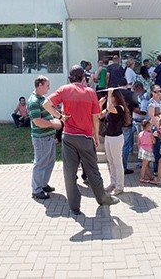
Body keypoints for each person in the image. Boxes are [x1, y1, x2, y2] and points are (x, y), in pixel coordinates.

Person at [43, 65, 119, 216]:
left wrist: (59, 116)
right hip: (85, 137)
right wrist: (96, 136)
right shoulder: (90, 92)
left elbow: (46, 104)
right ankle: (102, 198)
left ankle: (74, 207)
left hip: (68, 136)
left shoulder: (64, 89)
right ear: (83, 77)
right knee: (92, 170)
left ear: (70, 77)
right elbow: (96, 118)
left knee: (69, 172)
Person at [28, 76, 63, 200]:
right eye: (47, 85)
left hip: (49, 137)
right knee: (40, 164)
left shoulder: (42, 99)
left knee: (49, 162)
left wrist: (60, 117)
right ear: (40, 85)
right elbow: (37, 121)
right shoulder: (33, 101)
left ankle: (43, 185)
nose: (49, 87)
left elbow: (51, 112)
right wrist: (54, 124)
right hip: (41, 139)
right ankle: (36, 190)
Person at [99, 88, 129, 196]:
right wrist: (99, 104)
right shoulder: (109, 108)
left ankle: (120, 186)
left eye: (111, 96)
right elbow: (99, 115)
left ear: (116, 97)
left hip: (116, 138)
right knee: (110, 161)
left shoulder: (119, 108)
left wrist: (109, 93)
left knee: (117, 162)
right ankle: (113, 183)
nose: (109, 98)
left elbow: (110, 108)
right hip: (108, 136)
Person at [117, 77, 138, 175]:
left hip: (115, 124)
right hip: (127, 123)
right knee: (125, 146)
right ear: (127, 85)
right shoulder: (132, 94)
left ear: (118, 85)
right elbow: (136, 107)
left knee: (116, 146)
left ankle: (116, 167)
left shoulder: (115, 94)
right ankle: (123, 167)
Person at [147, 84, 161, 177]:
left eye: (160, 91)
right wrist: (159, 127)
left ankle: (160, 169)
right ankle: (157, 170)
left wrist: (160, 88)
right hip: (155, 128)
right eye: (156, 92)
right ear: (152, 92)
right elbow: (151, 116)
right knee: (157, 149)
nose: (159, 93)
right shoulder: (151, 103)